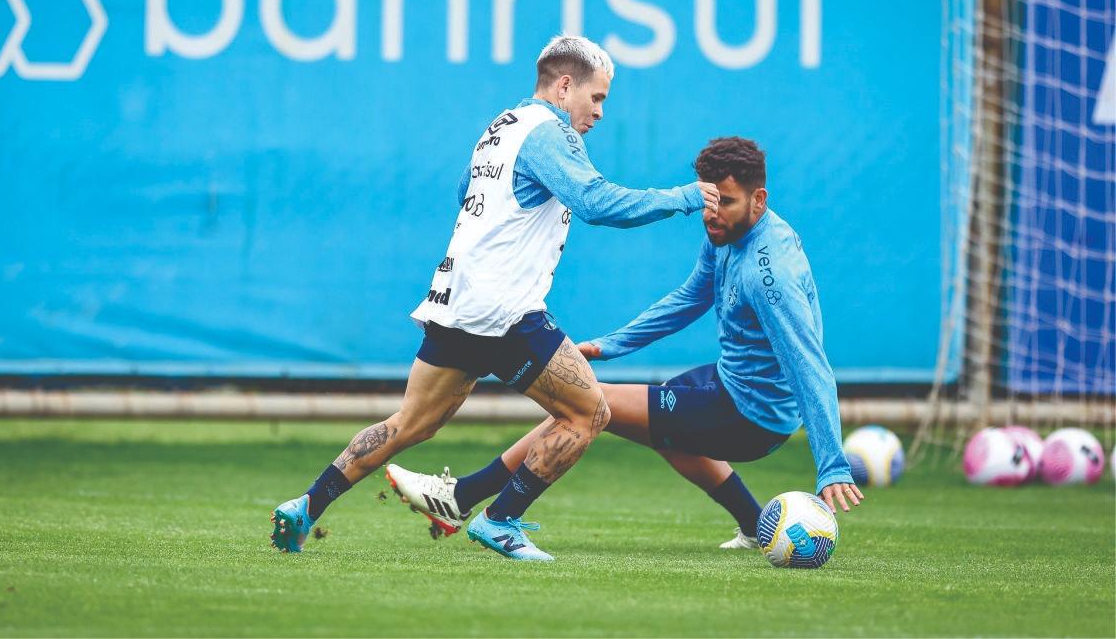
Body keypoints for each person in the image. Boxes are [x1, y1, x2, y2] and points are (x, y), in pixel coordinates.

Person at [269, 35, 721, 561]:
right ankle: (500, 521)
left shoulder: (501, 127)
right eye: (596, 98)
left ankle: (306, 506)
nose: (599, 112)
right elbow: (597, 202)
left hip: (454, 301)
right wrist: (684, 197)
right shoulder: (552, 135)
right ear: (565, 85)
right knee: (588, 413)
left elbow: (467, 191)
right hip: (503, 311)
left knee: (409, 424)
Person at [387, 137, 863, 550]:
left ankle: (463, 498)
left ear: (759, 200)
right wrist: (611, 345)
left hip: (751, 416)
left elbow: (808, 365)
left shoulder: (769, 274)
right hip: (727, 381)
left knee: (590, 403)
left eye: (729, 203)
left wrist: (831, 464)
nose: (712, 216)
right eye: (709, 200)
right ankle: (757, 526)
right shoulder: (725, 233)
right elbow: (691, 297)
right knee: (668, 435)